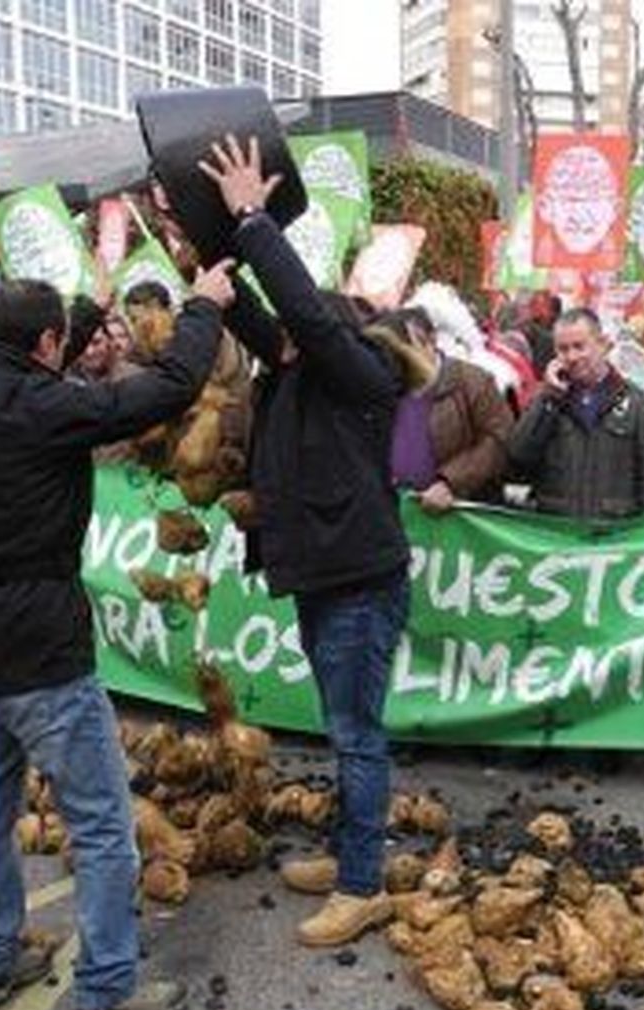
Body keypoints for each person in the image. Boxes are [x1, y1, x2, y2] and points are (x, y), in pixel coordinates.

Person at [0, 271, 229, 1010]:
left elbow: (32, 365)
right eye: (61, 338)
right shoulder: (39, 408)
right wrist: (201, 307)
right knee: (100, 825)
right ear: (48, 346)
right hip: (40, 647)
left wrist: (87, 308)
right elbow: (164, 389)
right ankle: (106, 990)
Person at [197, 136, 411, 949]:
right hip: (326, 578)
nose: (287, 335)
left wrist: (255, 218)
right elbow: (261, 314)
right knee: (341, 724)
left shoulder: (362, 378)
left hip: (360, 582)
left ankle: (362, 886)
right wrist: (208, 237)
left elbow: (305, 316)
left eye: (306, 328)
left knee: (356, 732)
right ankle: (350, 852)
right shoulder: (293, 371)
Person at [507, 308, 644, 521]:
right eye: (563, 349)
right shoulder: (545, 398)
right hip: (559, 529)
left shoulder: (638, 402)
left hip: (615, 532)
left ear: (602, 345)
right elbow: (518, 455)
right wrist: (548, 398)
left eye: (579, 347)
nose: (571, 357)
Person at [374, 307, 515, 511]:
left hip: (457, 519)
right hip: (398, 513)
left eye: (407, 349)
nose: (401, 360)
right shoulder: (386, 384)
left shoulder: (473, 382)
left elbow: (498, 439)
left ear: (432, 341)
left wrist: (450, 482)